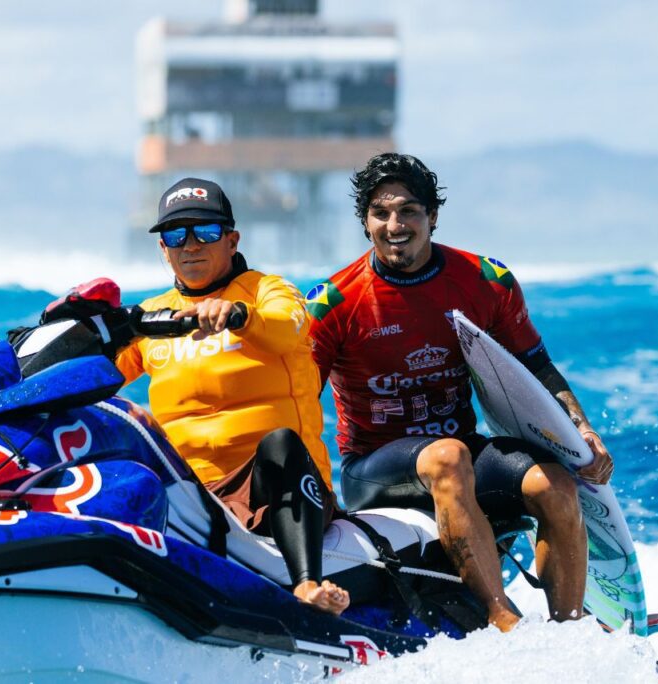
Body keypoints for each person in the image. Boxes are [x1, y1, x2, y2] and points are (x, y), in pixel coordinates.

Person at [306, 153, 613, 632]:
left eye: (409, 211)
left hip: (461, 457)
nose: (395, 225)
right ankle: (502, 620)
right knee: (447, 456)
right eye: (380, 213)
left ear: (432, 216)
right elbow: (297, 403)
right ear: (365, 222)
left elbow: (535, 365)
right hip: (374, 468)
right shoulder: (335, 303)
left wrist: (581, 430)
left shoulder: (484, 280)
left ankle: (570, 631)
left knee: (551, 485)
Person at [116, 177, 349, 615]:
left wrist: (240, 316)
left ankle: (306, 588)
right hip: (192, 491)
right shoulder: (151, 316)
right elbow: (95, 377)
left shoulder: (268, 292)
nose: (190, 246)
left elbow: (288, 327)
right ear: (162, 249)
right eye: (175, 235)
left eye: (205, 232)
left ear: (231, 239)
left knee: (279, 443)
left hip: (275, 483)